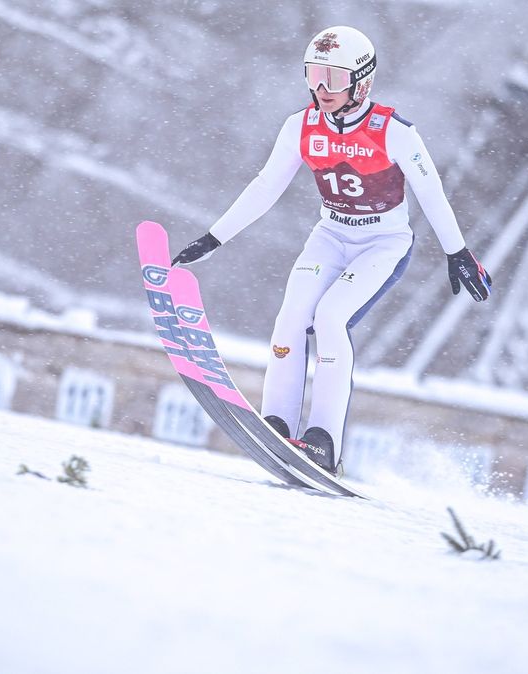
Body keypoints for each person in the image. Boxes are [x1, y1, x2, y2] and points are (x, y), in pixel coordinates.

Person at [172, 25, 491, 476]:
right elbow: (266, 187)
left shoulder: (394, 132)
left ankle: (323, 442)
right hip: (331, 236)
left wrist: (457, 252)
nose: (322, 88)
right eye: (314, 74)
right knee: (291, 316)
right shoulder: (300, 126)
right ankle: (278, 422)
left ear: (363, 83)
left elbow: (431, 193)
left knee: (329, 317)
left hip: (383, 244)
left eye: (335, 79)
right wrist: (214, 237)